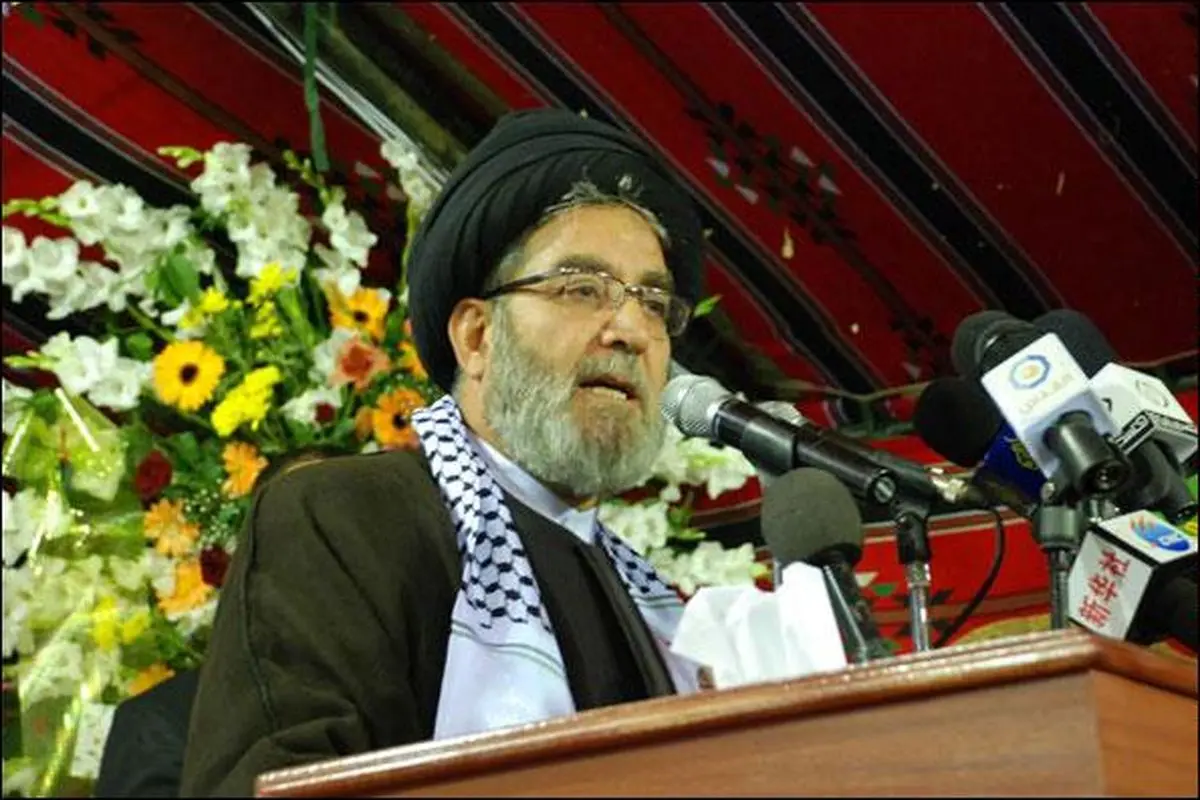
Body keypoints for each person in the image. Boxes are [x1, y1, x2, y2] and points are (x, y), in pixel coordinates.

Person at [179, 108, 708, 796]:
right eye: (583, 289)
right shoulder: (348, 517)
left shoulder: (646, 599)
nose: (633, 330)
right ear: (477, 337)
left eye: (655, 303)